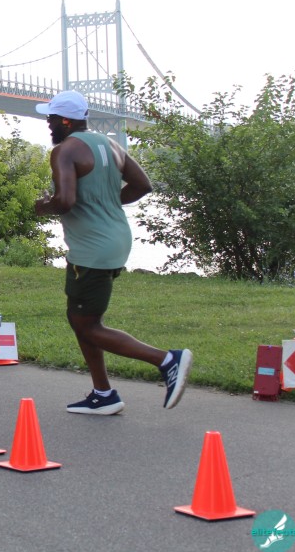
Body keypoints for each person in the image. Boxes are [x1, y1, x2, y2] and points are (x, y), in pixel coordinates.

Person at [33, 90, 192, 415]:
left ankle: (166, 360)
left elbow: (65, 201)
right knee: (83, 318)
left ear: (66, 121)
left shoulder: (65, 150)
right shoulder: (110, 145)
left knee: (86, 325)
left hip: (91, 248)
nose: (48, 124)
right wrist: (106, 203)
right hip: (116, 239)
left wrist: (42, 206)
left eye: (51, 118)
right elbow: (143, 185)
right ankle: (103, 394)